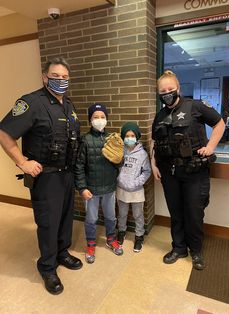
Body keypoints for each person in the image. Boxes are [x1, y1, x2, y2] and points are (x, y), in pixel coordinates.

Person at [0, 57, 83, 295]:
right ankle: (47, 267)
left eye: (65, 77)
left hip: (66, 174)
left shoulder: (68, 104)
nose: (60, 81)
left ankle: (62, 253)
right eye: (55, 76)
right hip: (45, 178)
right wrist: (22, 162)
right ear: (44, 77)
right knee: (48, 223)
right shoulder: (31, 103)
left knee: (66, 217)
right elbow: (4, 133)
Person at [151, 70, 225, 270]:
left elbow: (219, 123)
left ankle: (196, 251)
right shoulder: (159, 116)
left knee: (193, 212)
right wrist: (153, 162)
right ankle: (179, 248)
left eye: (170, 89)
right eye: (162, 91)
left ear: (178, 88)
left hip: (194, 172)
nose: (167, 93)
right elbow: (155, 141)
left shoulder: (195, 107)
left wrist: (210, 147)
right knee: (176, 212)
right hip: (169, 173)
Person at [74, 103, 123, 264]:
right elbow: (79, 166)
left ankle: (111, 239)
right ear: (90, 120)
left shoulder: (112, 139)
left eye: (102, 117)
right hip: (91, 190)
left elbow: (119, 164)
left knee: (110, 216)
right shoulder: (85, 140)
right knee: (91, 219)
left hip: (109, 187)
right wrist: (82, 188)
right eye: (96, 117)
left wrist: (118, 158)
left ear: (107, 119)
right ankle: (91, 244)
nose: (99, 120)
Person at [117, 122, 151, 252]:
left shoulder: (142, 154)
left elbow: (147, 172)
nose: (129, 138)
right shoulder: (120, 151)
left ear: (136, 137)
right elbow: (115, 168)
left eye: (132, 135)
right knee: (122, 213)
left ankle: (139, 236)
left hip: (136, 191)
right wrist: (119, 179)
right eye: (127, 135)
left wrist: (136, 182)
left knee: (138, 214)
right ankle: (121, 231)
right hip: (121, 189)